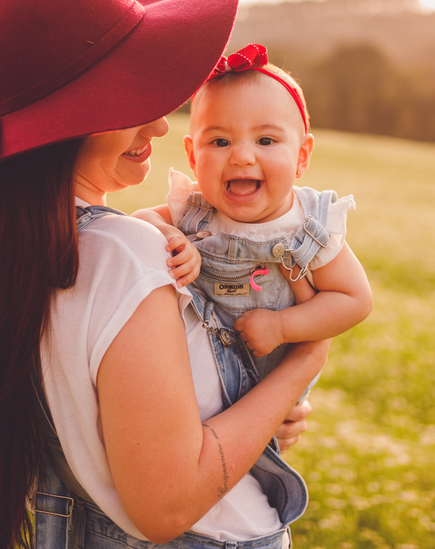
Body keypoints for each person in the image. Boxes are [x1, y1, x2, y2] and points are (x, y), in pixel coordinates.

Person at [0, 0, 328, 549]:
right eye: (127, 100)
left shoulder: (16, 253)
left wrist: (257, 414)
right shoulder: (128, 253)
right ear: (67, 125)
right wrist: (302, 364)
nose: (159, 126)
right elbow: (167, 504)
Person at [133, 44, 371, 388]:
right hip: (196, 386)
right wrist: (170, 234)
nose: (242, 157)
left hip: (267, 389)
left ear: (301, 156)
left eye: (266, 140)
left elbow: (354, 299)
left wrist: (283, 327)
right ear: (193, 156)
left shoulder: (308, 226)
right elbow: (141, 218)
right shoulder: (195, 211)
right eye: (220, 142)